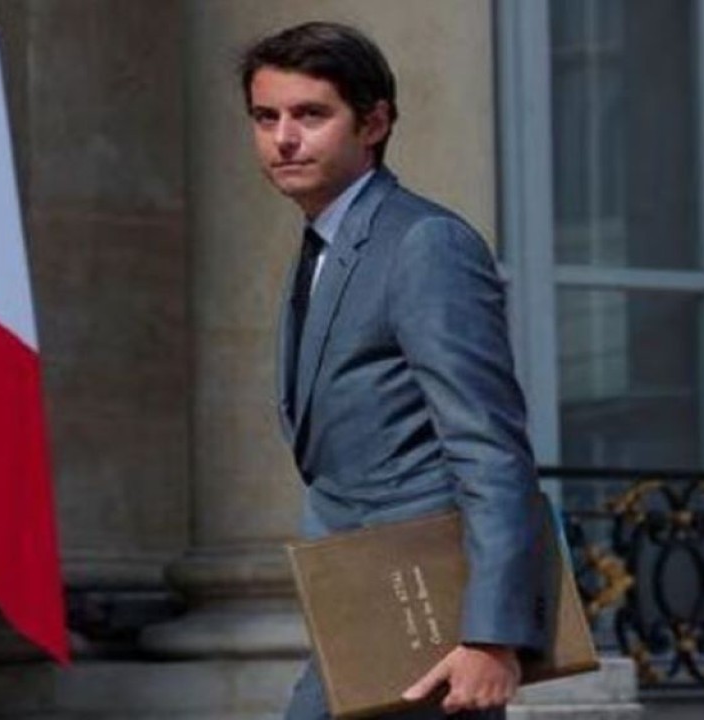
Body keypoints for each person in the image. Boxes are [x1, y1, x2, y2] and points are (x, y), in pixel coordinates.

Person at [240, 21, 547, 719]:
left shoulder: (423, 243)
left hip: (427, 617)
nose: (283, 138)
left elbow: (490, 443)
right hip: (361, 606)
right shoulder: (327, 241)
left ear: (374, 122)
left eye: (310, 115)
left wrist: (493, 635)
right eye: (266, 117)